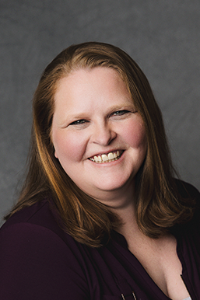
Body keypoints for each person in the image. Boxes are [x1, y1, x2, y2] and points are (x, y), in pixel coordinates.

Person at [0, 42, 199, 300]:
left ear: (147, 119)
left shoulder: (188, 204)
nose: (104, 137)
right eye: (79, 122)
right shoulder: (31, 243)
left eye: (119, 112)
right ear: (50, 143)